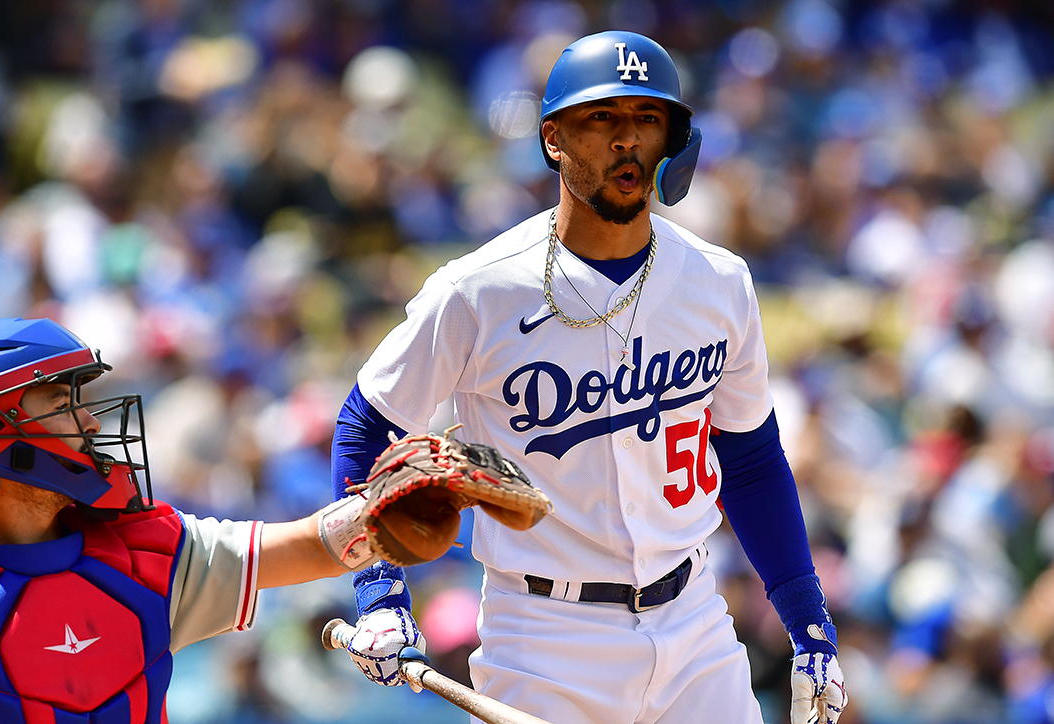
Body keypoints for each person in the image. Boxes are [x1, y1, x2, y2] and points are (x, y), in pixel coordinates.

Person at [330, 31, 848, 724]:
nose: (628, 139)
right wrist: (379, 591)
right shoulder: (477, 290)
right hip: (544, 636)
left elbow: (750, 460)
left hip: (695, 623)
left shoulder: (721, 283)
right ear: (553, 139)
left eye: (647, 118)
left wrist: (807, 620)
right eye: (603, 117)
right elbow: (367, 423)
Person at [0, 316, 391, 724]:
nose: (91, 422)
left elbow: (315, 545)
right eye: (60, 401)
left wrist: (396, 503)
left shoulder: (150, 554)